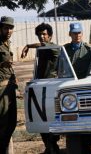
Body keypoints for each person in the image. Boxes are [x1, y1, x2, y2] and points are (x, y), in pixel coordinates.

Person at [21, 23, 60, 154]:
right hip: (40, 87)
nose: (41, 37)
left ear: (50, 35)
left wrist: (28, 46)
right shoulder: (41, 51)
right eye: (39, 34)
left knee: (50, 118)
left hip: (51, 87)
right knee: (39, 118)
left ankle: (53, 146)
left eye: (44, 34)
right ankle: (49, 147)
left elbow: (43, 46)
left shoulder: (53, 47)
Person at [0, 16, 17, 154]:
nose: (9, 30)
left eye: (11, 28)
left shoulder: (7, 43)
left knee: (12, 122)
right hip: (1, 88)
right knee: (3, 123)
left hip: (10, 87)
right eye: (6, 27)